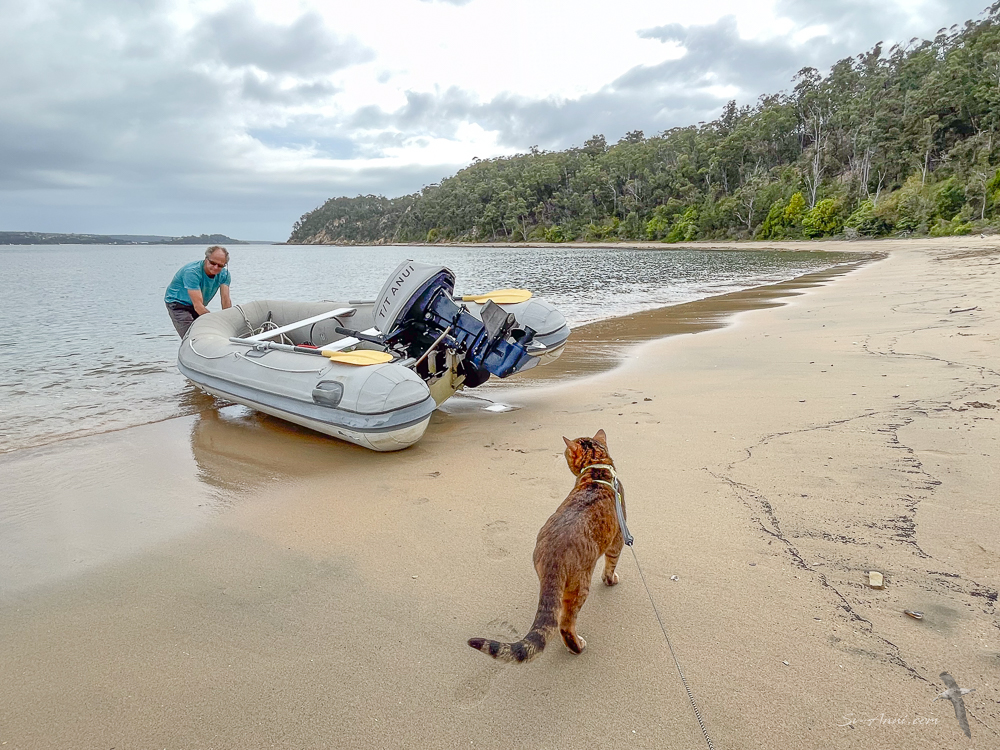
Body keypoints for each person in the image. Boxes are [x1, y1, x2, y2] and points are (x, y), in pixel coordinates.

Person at [164, 245, 232, 338]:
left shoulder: (225, 274)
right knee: (192, 336)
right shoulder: (192, 272)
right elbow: (198, 306)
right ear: (206, 259)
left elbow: (225, 301)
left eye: (220, 265)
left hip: (198, 305)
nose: (216, 267)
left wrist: (228, 321)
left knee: (207, 333)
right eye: (212, 263)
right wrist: (216, 322)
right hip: (178, 303)